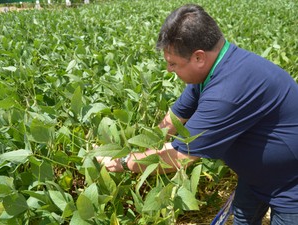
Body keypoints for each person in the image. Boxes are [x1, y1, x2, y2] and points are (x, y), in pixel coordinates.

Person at [96, 4, 298, 225]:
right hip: (255, 176)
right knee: (241, 220)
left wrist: (122, 163)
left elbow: (181, 155)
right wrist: (147, 145)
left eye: (173, 63)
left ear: (199, 57)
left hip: (290, 186)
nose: (168, 70)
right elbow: (175, 117)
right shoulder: (214, 68)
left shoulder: (226, 93)